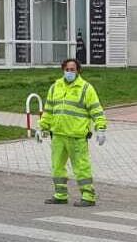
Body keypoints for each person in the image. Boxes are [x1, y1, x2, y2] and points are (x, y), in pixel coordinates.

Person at [40, 58, 106, 206]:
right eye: (67, 69)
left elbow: (96, 110)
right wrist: (42, 126)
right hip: (58, 135)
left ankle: (88, 197)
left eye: (72, 70)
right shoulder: (55, 87)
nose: (69, 72)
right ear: (63, 70)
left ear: (78, 71)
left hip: (76, 136)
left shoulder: (85, 88)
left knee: (81, 167)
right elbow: (48, 110)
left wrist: (100, 128)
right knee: (57, 166)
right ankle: (60, 195)